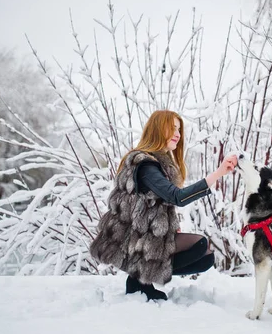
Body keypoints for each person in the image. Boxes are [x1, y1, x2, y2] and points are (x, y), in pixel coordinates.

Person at [90, 110, 237, 301]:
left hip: (150, 241)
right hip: (137, 245)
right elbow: (177, 197)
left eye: (179, 129)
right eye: (172, 128)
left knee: (206, 257)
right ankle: (139, 279)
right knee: (200, 244)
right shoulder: (145, 166)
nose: (177, 133)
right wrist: (218, 173)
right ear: (158, 130)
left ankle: (142, 279)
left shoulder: (156, 165)